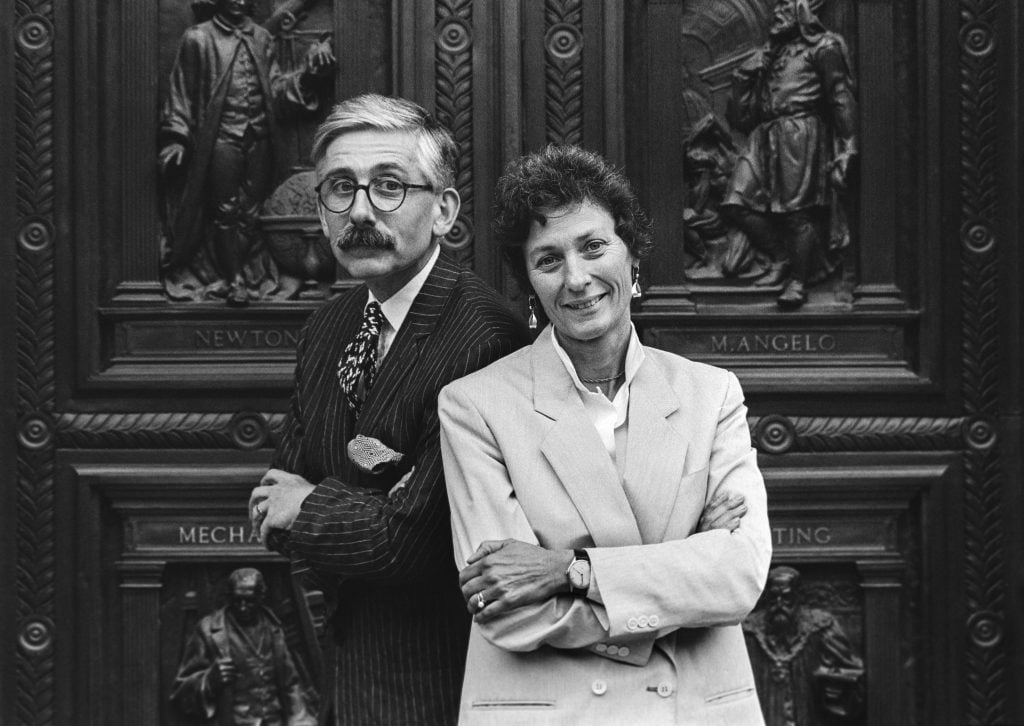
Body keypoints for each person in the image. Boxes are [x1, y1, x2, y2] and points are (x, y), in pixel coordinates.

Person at [438, 145, 772, 724]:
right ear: (530, 285)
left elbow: (738, 577)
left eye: (593, 247)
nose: (577, 278)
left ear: (633, 256)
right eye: (548, 260)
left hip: (693, 708)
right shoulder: (475, 406)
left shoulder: (710, 394)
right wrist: (685, 569)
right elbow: (505, 607)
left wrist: (569, 570)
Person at [247, 94, 530, 725]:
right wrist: (355, 507)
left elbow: (411, 546)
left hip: (442, 685)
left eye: (389, 187)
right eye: (340, 189)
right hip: (348, 676)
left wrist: (313, 500)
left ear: (445, 211)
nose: (361, 211)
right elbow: (273, 503)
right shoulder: (330, 325)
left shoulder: (485, 338)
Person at [159, 0, 334, 304]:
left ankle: (251, 274)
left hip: (260, 137)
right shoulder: (198, 39)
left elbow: (276, 89)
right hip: (222, 137)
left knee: (252, 212)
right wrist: (176, 137)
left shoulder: (261, 38)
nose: (240, 1)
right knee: (225, 210)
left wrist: (306, 78)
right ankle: (233, 279)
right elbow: (181, 93)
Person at [722, 0, 857, 308]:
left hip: (800, 133)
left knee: (798, 213)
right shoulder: (775, 53)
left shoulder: (823, 47)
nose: (777, 13)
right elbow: (742, 119)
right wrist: (744, 77)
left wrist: (849, 144)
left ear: (803, 10)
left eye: (784, 6)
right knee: (736, 202)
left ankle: (798, 280)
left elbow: (839, 94)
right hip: (764, 136)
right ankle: (782, 258)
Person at [170, 568, 317, 726]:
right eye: (237, 600)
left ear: (260, 598)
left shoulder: (274, 628)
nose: (242, 607)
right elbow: (179, 692)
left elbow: (290, 683)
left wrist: (300, 719)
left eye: (249, 600)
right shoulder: (208, 630)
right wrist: (209, 681)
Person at [743, 566, 865, 726]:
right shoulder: (750, 630)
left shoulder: (821, 627)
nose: (779, 605)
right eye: (773, 598)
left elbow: (851, 674)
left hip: (807, 714)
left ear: (798, 597)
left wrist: (836, 690)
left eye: (786, 598)